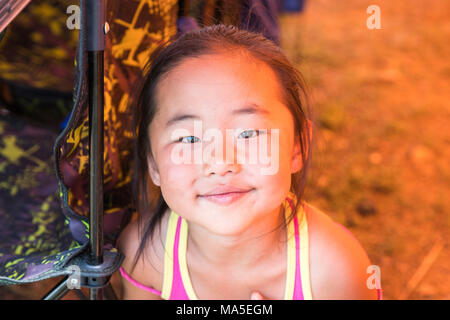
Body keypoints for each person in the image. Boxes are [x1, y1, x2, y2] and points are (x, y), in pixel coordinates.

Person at [117, 24, 382, 300]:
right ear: (154, 164)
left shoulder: (334, 271)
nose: (220, 163)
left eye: (248, 133)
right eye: (188, 139)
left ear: (296, 146)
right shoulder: (146, 257)